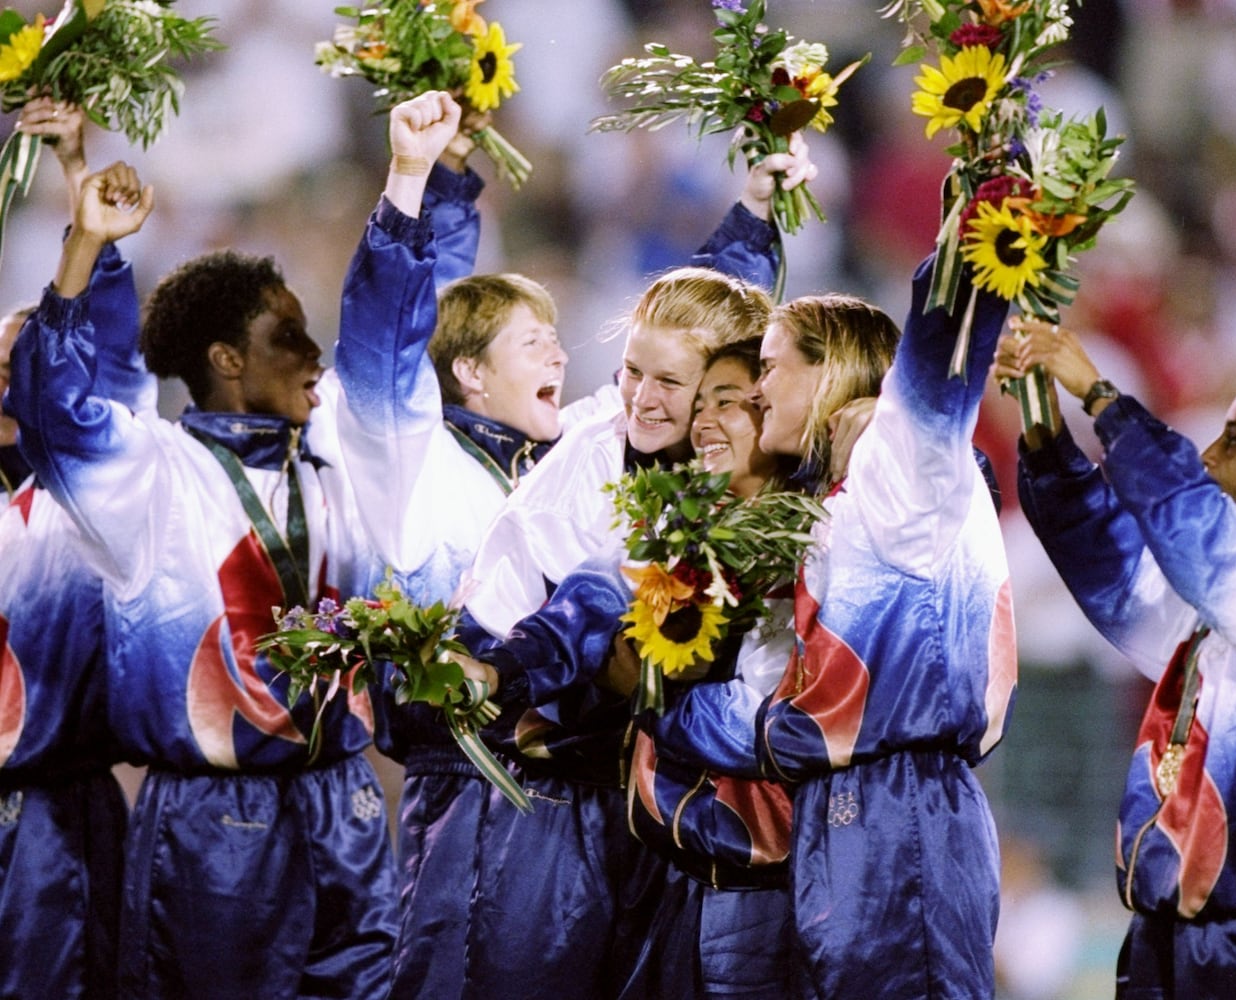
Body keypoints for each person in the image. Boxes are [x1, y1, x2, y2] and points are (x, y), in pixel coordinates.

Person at [339, 90, 814, 998]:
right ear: (471, 372)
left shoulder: (685, 460)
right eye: (628, 370)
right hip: (501, 791)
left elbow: (711, 321)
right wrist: (409, 179)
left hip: (616, 802)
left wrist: (755, 212)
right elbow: (379, 346)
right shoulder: (562, 440)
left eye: (665, 382)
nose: (636, 393)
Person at [5, 153, 401, 997]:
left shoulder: (332, 455)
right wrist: (85, 246)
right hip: (213, 826)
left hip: (346, 803)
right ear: (226, 359)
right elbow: (50, 408)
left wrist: (411, 177)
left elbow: (389, 344)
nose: (314, 353)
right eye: (286, 336)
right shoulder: (151, 474)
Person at [644, 263, 1011, 995]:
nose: (757, 391)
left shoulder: (895, 461)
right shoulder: (834, 501)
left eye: (771, 368)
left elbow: (944, 349)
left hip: (902, 806)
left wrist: (980, 229)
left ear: (831, 371)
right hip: (841, 808)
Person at [998, 316, 1236, 997]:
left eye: (1235, 442)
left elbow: (1190, 517)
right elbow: (1113, 564)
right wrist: (1045, 435)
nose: (1209, 457)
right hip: (1163, 926)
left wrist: (1101, 398)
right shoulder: (1224, 596)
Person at [0, 97, 155, 1000]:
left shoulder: (94, 498)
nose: (11, 366)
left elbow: (110, 357)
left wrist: (78, 182)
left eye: (25, 359)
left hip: (61, 812)